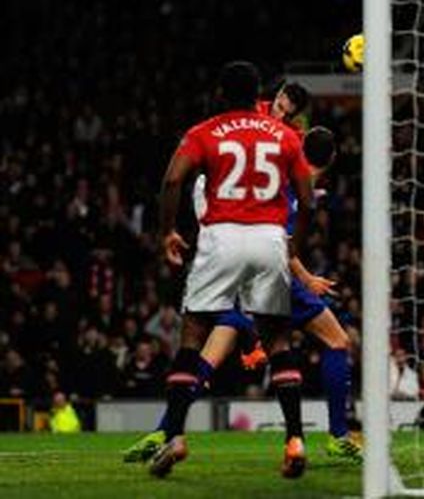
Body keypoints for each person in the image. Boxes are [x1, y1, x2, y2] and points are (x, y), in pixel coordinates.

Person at [124, 126, 362, 465]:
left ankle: (167, 430)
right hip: (275, 276)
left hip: (233, 268)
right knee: (336, 342)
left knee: (209, 353)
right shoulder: (297, 184)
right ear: (333, 158)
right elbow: (283, 242)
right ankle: (335, 435)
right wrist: (307, 277)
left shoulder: (272, 171)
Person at [148, 60, 314, 479]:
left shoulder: (203, 131)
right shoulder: (286, 136)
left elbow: (172, 181)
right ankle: (294, 438)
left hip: (221, 237)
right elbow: (307, 198)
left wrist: (168, 232)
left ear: (222, 93)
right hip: (268, 240)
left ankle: (176, 436)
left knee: (192, 336)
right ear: (258, 92)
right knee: (277, 340)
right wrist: (294, 245)